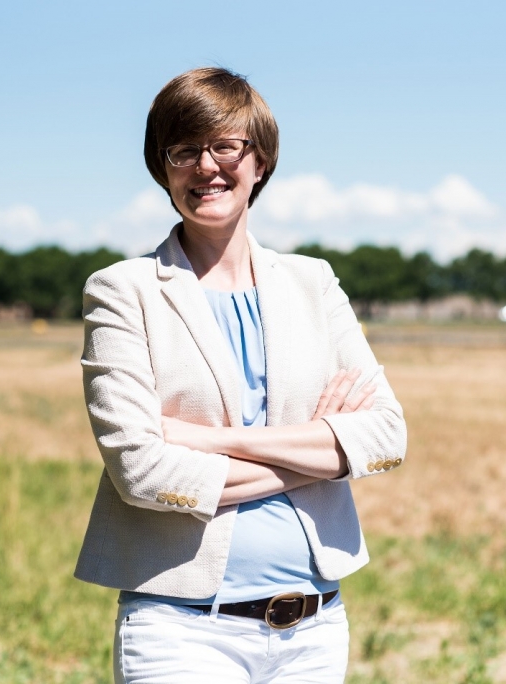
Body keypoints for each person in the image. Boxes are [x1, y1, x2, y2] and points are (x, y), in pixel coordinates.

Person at [73, 67, 408, 683]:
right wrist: (323, 450)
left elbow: (386, 435)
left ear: (260, 162)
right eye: (184, 150)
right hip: (180, 632)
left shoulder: (313, 281)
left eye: (227, 146)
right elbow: (141, 471)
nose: (206, 166)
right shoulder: (123, 291)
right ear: (163, 167)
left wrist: (209, 441)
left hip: (314, 630)